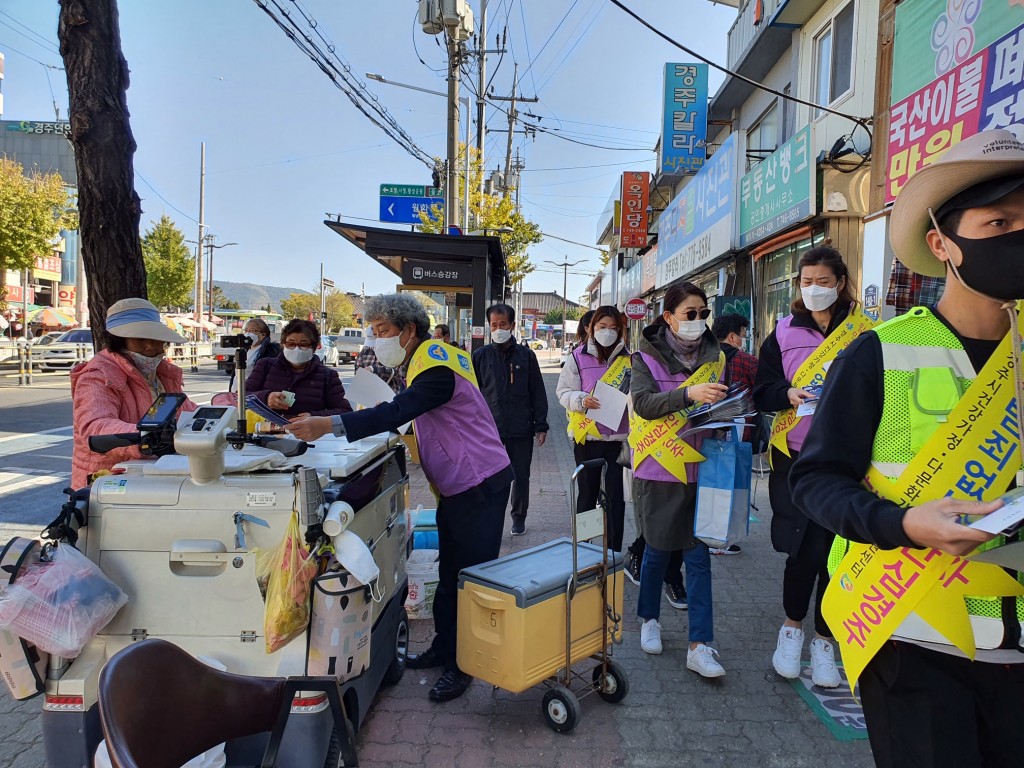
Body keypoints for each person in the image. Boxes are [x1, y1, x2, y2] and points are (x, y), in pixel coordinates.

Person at [791, 129, 1024, 767]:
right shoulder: (879, 351)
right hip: (911, 634)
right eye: (1000, 221)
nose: (1017, 236)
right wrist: (901, 523)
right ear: (942, 244)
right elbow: (816, 480)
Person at [286, 294, 512, 703]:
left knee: (470, 579)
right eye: (372, 331)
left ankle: (466, 665)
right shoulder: (427, 358)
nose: (376, 339)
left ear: (409, 330)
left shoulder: (435, 364)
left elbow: (399, 409)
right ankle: (446, 647)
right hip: (461, 483)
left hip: (479, 482)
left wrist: (329, 424)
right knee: (451, 573)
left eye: (383, 331)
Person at [754, 245, 864, 689]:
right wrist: (786, 394)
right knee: (802, 550)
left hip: (847, 458)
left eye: (823, 281)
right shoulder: (781, 332)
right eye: (806, 281)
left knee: (837, 554)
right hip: (794, 455)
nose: (814, 289)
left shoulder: (866, 331)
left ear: (840, 283)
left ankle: (825, 641)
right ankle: (790, 630)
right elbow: (761, 390)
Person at [630, 282, 729, 676]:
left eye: (704, 314)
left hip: (702, 470)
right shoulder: (644, 358)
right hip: (658, 469)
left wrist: (727, 411)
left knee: (699, 557)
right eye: (690, 314)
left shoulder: (716, 357)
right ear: (668, 316)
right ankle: (649, 619)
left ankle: (700, 644)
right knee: (657, 550)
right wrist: (689, 395)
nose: (698, 321)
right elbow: (643, 404)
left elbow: (722, 403)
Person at [70, 298, 197, 488]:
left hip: (150, 477)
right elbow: (95, 426)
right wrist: (147, 437)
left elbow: (188, 412)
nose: (150, 346)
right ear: (119, 341)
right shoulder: (98, 375)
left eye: (155, 338)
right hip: (106, 481)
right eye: (140, 339)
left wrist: (226, 409)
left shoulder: (163, 374)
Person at [556, 305, 631, 551]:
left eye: (613, 328)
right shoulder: (577, 357)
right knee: (587, 495)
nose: (607, 332)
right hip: (587, 438)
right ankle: (585, 551)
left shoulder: (630, 360)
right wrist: (580, 399)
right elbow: (563, 392)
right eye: (602, 327)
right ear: (591, 328)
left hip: (619, 441)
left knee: (615, 500)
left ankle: (613, 554)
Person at [472, 303, 549, 536]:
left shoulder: (526, 356)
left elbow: (537, 391)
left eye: (503, 324)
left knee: (521, 476)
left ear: (513, 326)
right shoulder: (480, 356)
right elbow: (473, 394)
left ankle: (519, 517)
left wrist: (541, 424)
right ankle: (489, 517)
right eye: (494, 325)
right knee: (490, 476)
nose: (498, 329)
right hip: (489, 429)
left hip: (521, 428)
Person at [707, 312, 761, 556]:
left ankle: (706, 529)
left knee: (709, 479)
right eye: (743, 334)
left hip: (705, 427)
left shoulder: (704, 356)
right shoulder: (746, 361)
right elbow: (760, 391)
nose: (744, 339)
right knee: (732, 483)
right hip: (737, 428)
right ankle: (721, 538)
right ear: (732, 336)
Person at [246, 318, 351, 418]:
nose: (296, 349)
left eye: (303, 345)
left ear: (313, 348)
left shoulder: (327, 376)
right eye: (291, 344)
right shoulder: (265, 366)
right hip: (265, 430)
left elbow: (345, 411)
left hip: (308, 434)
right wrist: (266, 397)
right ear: (283, 345)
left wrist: (314, 416)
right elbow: (240, 397)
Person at [228, 318, 280, 392]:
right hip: (236, 394)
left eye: (252, 331)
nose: (247, 333)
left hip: (252, 395)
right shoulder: (244, 350)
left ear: (262, 335)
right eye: (246, 330)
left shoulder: (269, 352)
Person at [356, 325, 405, 394]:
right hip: (369, 396)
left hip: (390, 395)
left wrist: (374, 369)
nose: (372, 348)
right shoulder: (364, 352)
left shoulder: (392, 352)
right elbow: (357, 376)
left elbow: (399, 373)